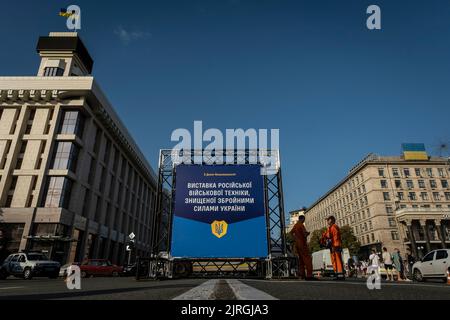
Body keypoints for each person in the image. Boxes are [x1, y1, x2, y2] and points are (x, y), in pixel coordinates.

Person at [290, 214, 314, 280]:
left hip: (297, 245)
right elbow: (304, 234)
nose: (304, 221)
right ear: (302, 219)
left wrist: (295, 238)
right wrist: (307, 233)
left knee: (301, 260)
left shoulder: (295, 225)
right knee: (307, 259)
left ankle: (302, 275)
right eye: (304, 219)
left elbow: (291, 233)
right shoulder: (301, 225)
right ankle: (309, 275)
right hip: (302, 244)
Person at [321, 215, 344, 279]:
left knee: (337, 260)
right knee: (334, 260)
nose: (327, 221)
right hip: (334, 245)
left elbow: (329, 235)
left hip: (335, 245)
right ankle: (337, 273)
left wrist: (325, 237)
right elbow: (326, 234)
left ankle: (340, 274)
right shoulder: (331, 227)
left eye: (328, 220)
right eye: (327, 220)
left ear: (332, 220)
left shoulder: (333, 227)